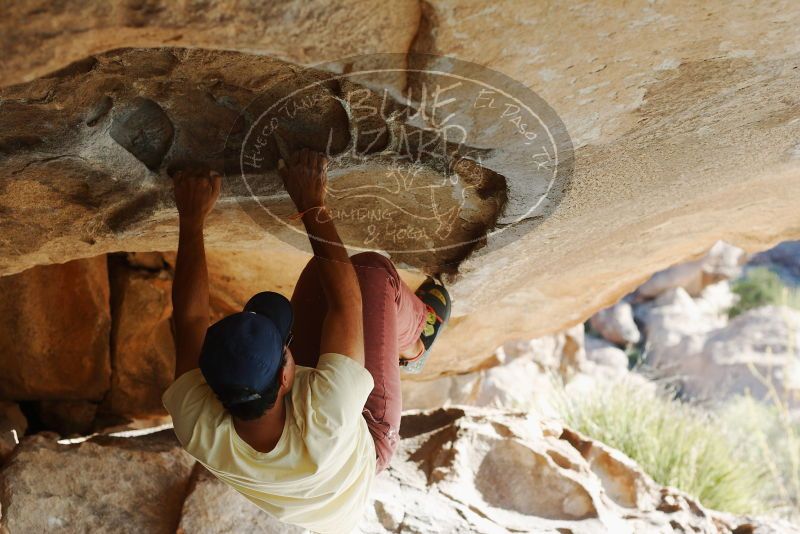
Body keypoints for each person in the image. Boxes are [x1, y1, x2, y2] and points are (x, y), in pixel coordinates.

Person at [162, 148, 451, 533]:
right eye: (284, 346)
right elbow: (347, 306)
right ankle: (416, 342)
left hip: (315, 487)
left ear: (209, 383)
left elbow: (190, 317)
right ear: (286, 376)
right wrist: (310, 201)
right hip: (364, 436)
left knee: (322, 273)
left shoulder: (198, 420)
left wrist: (192, 215)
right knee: (368, 272)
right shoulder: (327, 414)